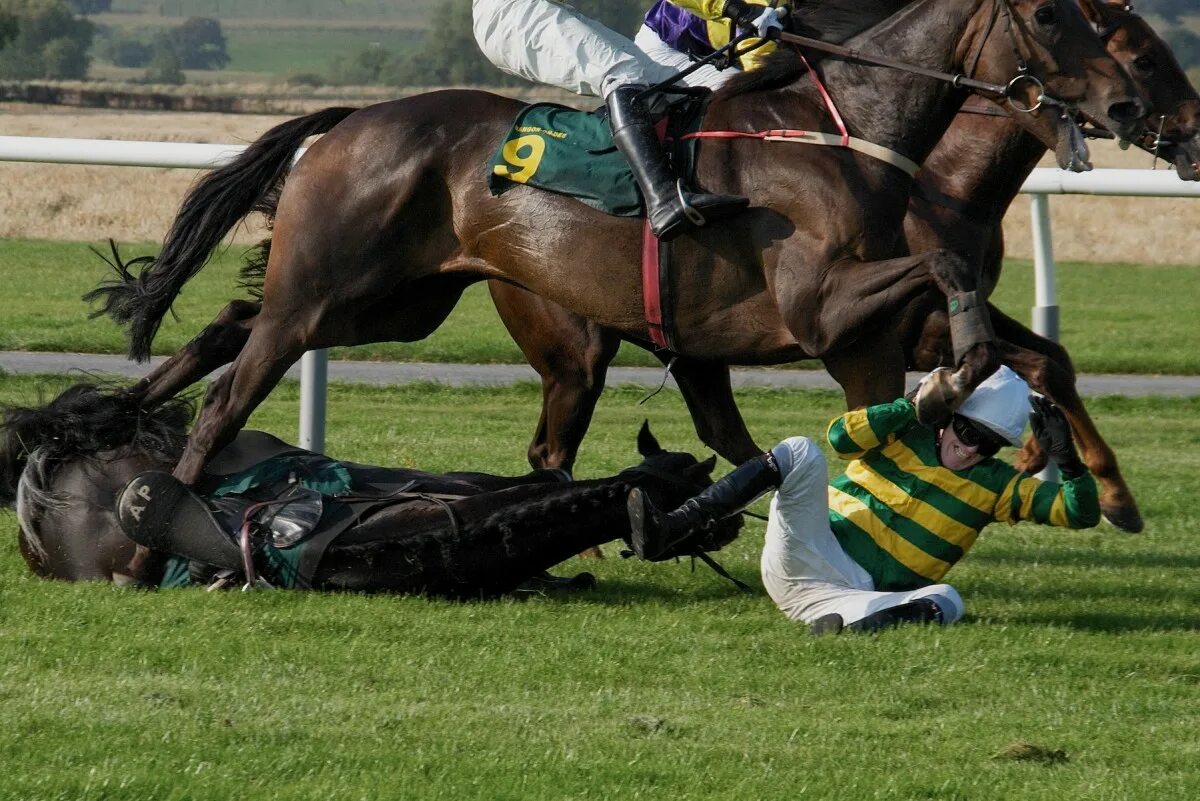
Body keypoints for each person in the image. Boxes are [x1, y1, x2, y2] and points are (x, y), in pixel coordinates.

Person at [627, 366, 1103, 633]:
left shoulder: (1000, 486)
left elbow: (1080, 513)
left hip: (851, 597)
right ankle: (673, 527)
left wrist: (1070, 460)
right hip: (809, 551)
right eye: (967, 431)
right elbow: (839, 436)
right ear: (946, 418)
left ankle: (858, 629)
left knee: (948, 599)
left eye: (988, 444)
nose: (971, 448)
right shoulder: (904, 433)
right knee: (800, 450)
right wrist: (910, 404)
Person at [471, 1, 788, 240]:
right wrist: (733, 8)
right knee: (622, 72)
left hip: (550, 11)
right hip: (513, 13)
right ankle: (663, 200)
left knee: (670, 83)